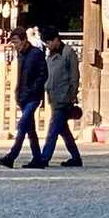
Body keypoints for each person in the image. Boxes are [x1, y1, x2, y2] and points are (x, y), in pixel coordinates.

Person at [25, 26, 81, 168]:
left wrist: (72, 94)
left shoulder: (68, 53)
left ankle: (44, 158)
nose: (48, 45)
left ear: (56, 39)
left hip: (64, 97)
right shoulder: (50, 55)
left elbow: (74, 76)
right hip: (53, 97)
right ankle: (76, 157)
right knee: (63, 130)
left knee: (53, 130)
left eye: (49, 42)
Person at [0, 27, 46, 168]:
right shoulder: (20, 55)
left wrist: (34, 89)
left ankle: (12, 156)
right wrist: (18, 92)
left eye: (16, 42)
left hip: (33, 96)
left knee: (22, 124)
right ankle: (37, 158)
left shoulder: (36, 54)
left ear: (24, 40)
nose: (15, 45)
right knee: (30, 129)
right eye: (13, 42)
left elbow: (43, 74)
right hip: (22, 95)